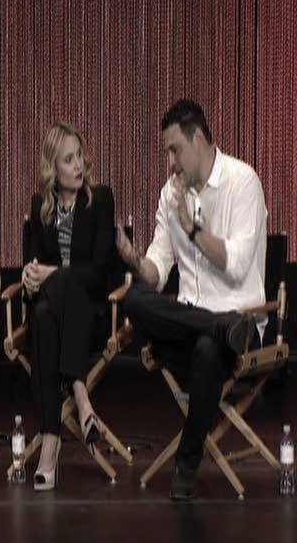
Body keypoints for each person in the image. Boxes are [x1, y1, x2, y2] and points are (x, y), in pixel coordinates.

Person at [115, 98, 266, 501]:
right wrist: (133, 260)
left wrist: (193, 230)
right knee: (133, 298)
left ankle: (186, 463)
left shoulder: (243, 182)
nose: (170, 162)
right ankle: (216, 326)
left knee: (207, 351)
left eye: (175, 149)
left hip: (241, 325)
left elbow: (236, 265)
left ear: (198, 138)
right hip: (194, 325)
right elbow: (157, 271)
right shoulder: (171, 193)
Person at [24, 122, 115, 491]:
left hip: (90, 316)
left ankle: (51, 441)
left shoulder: (100, 200)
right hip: (52, 317)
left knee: (60, 288)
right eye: (68, 159)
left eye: (79, 156)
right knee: (43, 314)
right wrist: (30, 276)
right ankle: (79, 397)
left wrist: (51, 274)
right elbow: (34, 263)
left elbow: (98, 273)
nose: (78, 165)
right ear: (53, 168)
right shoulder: (40, 207)